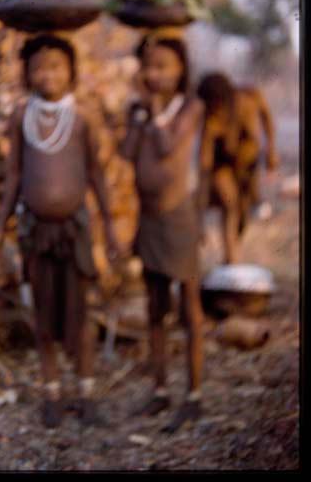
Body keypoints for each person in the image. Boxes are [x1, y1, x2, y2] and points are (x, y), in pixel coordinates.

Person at [0, 33, 120, 429]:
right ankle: (52, 393)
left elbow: (96, 174)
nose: (47, 74)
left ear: (72, 71)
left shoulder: (82, 116)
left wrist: (109, 228)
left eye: (57, 66)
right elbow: (13, 178)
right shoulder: (20, 116)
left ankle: (87, 392)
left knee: (80, 315)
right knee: (43, 315)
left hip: (75, 230)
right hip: (35, 231)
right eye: (38, 67)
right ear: (27, 73)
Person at [119, 35, 205, 433]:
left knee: (188, 308)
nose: (154, 74)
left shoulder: (190, 107)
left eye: (163, 67)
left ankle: (194, 394)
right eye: (148, 67)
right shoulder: (140, 109)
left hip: (178, 218)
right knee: (156, 307)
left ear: (181, 70)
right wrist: (137, 113)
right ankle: (159, 389)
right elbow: (128, 153)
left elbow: (169, 146)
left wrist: (152, 109)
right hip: (149, 219)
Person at [196, 72, 279, 264]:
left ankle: (232, 255)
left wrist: (271, 149)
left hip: (247, 165)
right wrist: (200, 203)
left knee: (242, 213)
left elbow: (267, 118)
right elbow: (205, 161)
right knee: (229, 204)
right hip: (223, 166)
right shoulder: (212, 120)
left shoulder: (249, 99)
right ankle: (231, 259)